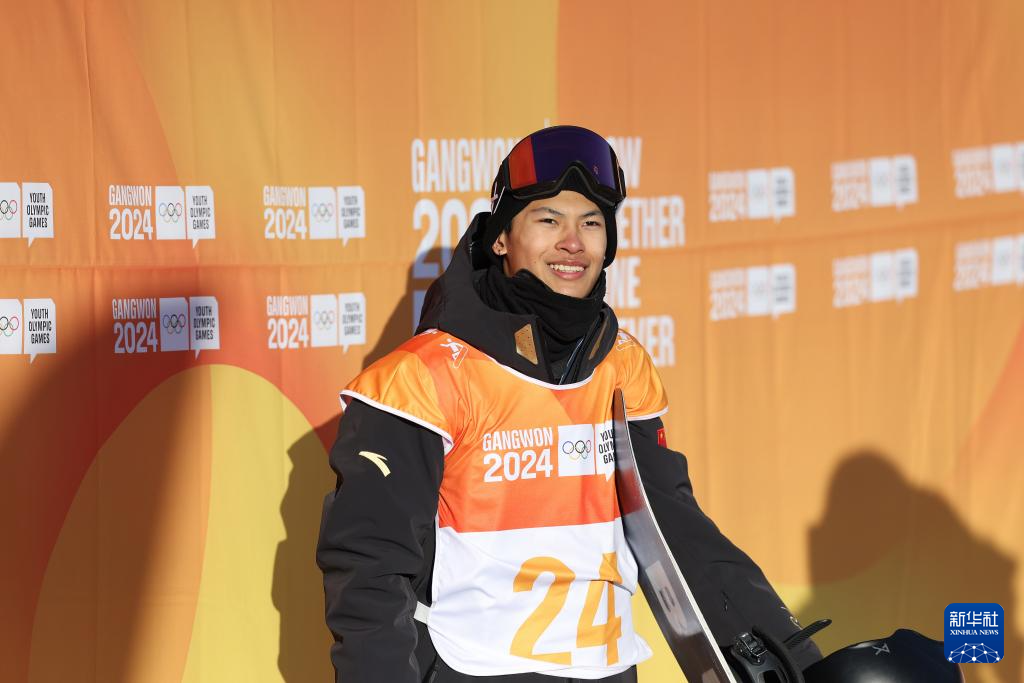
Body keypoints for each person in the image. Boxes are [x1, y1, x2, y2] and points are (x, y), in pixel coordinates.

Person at [316, 125, 821, 682]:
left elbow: (675, 531)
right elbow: (368, 566)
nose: (572, 243)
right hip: (472, 667)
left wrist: (794, 658)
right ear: (502, 238)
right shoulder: (419, 378)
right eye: (548, 220)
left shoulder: (621, 366)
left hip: (605, 667)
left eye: (591, 223)